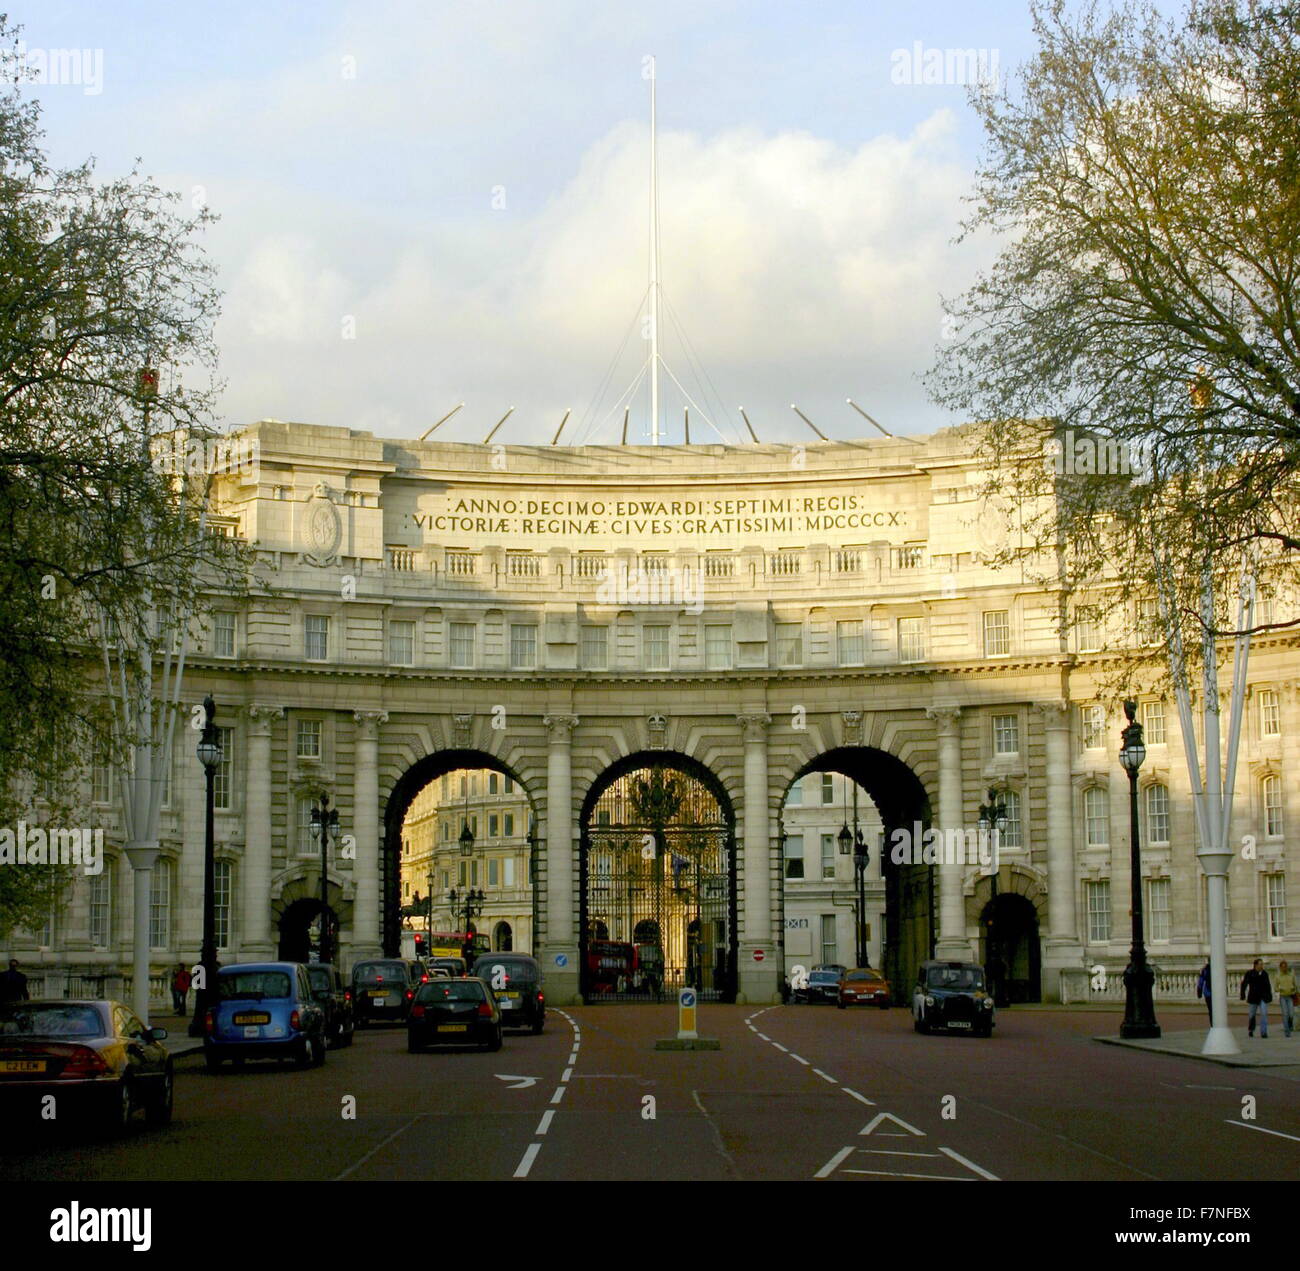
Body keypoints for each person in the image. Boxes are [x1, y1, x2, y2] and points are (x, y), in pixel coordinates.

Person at [1240, 958, 1272, 1038]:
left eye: (1262, 964)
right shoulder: (1250, 973)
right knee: (1252, 1015)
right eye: (1260, 964)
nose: (1261, 966)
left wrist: (1269, 996)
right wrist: (1242, 994)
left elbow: (1268, 985)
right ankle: (1251, 1029)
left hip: (1263, 997)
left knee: (1264, 1014)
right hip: (1253, 997)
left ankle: (1263, 1032)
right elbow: (1244, 984)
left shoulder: (1264, 974)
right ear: (1255, 965)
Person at [1275, 959, 1296, 1039]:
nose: (1284, 968)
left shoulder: (1291, 975)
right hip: (1283, 996)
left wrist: (1294, 990)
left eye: (1285, 967)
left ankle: (1290, 1025)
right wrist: (1280, 989)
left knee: (1291, 1014)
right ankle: (1287, 1031)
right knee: (1285, 1014)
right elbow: (1276, 987)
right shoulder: (1278, 976)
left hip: (1290, 996)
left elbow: (1295, 985)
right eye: (1282, 967)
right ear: (1280, 968)